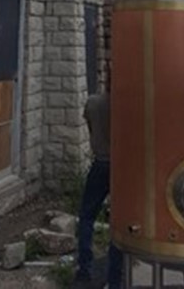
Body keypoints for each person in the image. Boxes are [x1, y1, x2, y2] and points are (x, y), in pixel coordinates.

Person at [75, 75, 122, 288]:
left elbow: (91, 129)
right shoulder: (127, 107)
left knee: (87, 215)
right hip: (122, 168)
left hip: (100, 163)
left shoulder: (93, 103)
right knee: (120, 222)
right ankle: (115, 277)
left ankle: (84, 268)